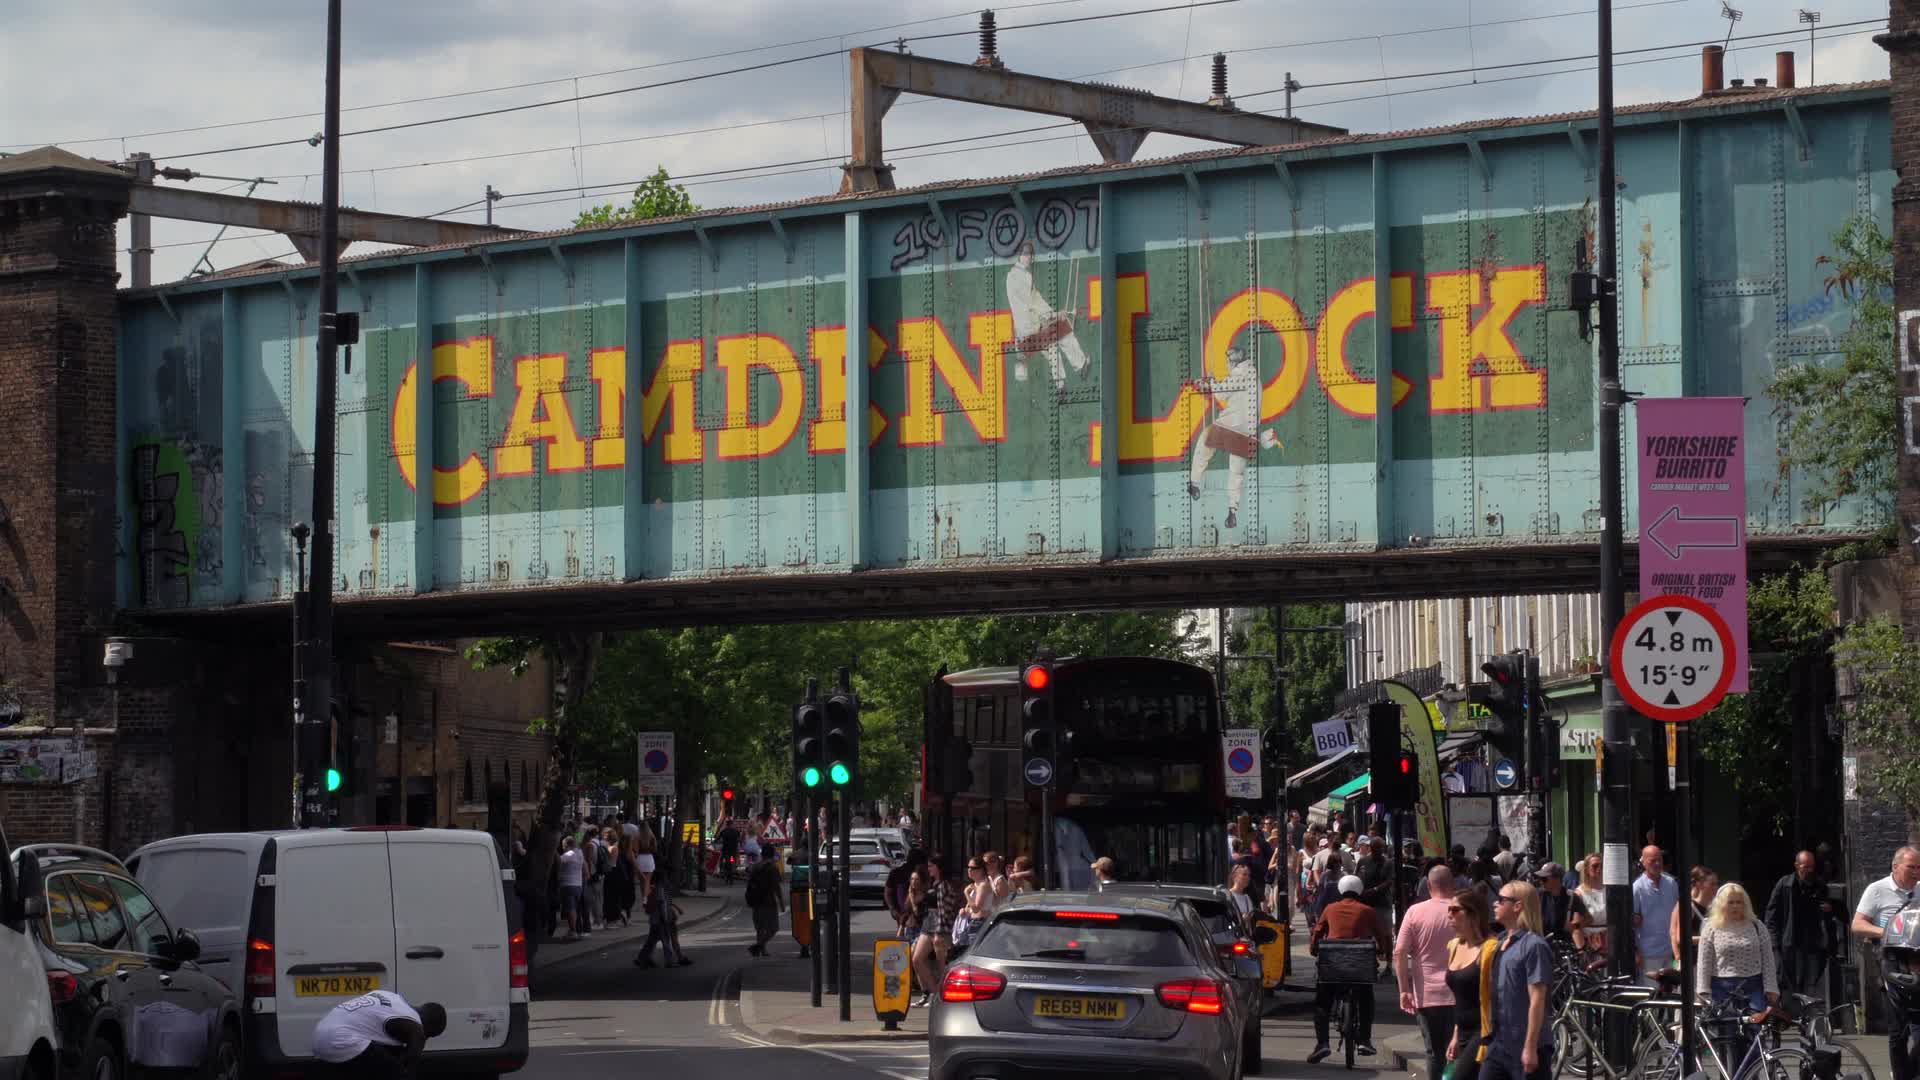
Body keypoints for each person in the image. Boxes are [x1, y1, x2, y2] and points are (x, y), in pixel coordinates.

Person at [1186, 344, 1282, 529]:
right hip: (1247, 432)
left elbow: (1222, 394)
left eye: (1228, 360)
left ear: (1232, 360)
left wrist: (1212, 382)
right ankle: (1232, 511)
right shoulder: (1255, 377)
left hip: (1229, 426)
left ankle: (1194, 482)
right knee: (1236, 472)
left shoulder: (1241, 373)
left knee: (1204, 444)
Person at [1308, 875, 1392, 1062]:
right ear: (1360, 890)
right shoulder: (1368, 910)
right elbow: (1381, 935)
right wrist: (1382, 952)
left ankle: (1322, 1043)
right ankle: (1364, 1040)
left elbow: (1318, 931)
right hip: (1360, 963)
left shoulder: (1330, 908)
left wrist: (1314, 949)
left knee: (1322, 1002)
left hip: (1332, 962)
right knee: (1366, 998)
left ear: (1340, 890)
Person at [1853, 847, 1920, 1080]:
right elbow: (1858, 925)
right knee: (1898, 1031)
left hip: (1918, 964)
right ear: (1895, 867)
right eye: (1911, 867)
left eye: (1919, 867)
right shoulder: (1877, 890)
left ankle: (1909, 1071)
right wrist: (1889, 932)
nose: (1916, 873)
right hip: (1892, 965)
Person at [1396, 864, 1461, 1080]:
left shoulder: (1415, 912)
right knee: (1458, 1051)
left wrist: (1404, 989)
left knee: (1434, 1052)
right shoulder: (1461, 911)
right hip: (1459, 993)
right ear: (1452, 884)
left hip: (1427, 995)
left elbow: (1400, 952)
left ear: (1429, 885)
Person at [1484, 882, 1554, 1080]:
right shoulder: (1501, 942)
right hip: (1499, 1043)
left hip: (1526, 1045)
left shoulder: (1534, 946)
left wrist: (1530, 1047)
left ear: (1518, 906)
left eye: (1501, 900)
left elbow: (1537, 1000)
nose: (1494, 904)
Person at [1004, 240, 1088, 390]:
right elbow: (1031, 304)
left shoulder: (1017, 275)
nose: (1029, 257)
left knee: (1053, 349)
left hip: (1024, 336)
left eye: (1030, 254)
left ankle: (1061, 385)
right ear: (1019, 255)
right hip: (1031, 332)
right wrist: (1053, 316)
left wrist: (1051, 315)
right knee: (1064, 331)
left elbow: (1035, 299)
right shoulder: (1020, 277)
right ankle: (1081, 364)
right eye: (1026, 254)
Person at [311, 990, 447, 1078]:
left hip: (320, 1035)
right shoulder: (416, 1026)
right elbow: (410, 1063)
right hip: (342, 1040)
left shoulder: (392, 997)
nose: (426, 1038)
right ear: (428, 1026)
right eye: (429, 1035)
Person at [1766, 850, 1838, 999]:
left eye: (1812, 866)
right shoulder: (1785, 885)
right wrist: (1774, 944)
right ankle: (1792, 1018)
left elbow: (1830, 914)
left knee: (1810, 986)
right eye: (1806, 867)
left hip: (1813, 944)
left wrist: (1828, 910)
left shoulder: (1819, 885)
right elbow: (1771, 915)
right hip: (1790, 945)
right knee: (1789, 986)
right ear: (1796, 865)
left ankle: (1806, 1017)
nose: (1809, 870)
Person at [1696, 883, 1778, 1014]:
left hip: (1753, 986)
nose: (1735, 906)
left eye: (1739, 902)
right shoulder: (1711, 928)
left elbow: (1768, 959)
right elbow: (1704, 962)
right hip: (1722, 989)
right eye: (1731, 902)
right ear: (1722, 904)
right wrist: (1703, 991)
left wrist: (1771, 988)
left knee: (1755, 1029)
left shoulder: (1757, 926)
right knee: (1727, 1031)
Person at [1444, 887, 1498, 1080]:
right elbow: (1460, 998)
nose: (1449, 914)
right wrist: (1455, 1036)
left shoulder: (1490, 949)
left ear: (1473, 914)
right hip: (1463, 1031)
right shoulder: (1454, 946)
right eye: (1448, 909)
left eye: (1455, 910)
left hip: (1483, 1031)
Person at [912, 856, 963, 1007]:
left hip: (940, 926)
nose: (929, 869)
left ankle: (940, 996)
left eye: (931, 866)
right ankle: (930, 992)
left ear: (938, 867)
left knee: (942, 964)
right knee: (917, 959)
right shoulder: (934, 883)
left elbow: (945, 911)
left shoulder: (944, 885)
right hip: (929, 923)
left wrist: (940, 931)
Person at [1631, 845, 1679, 984]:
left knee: (1672, 994)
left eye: (1659, 860)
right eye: (1652, 861)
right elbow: (1632, 923)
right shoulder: (1637, 887)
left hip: (1671, 951)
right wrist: (1636, 952)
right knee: (1652, 995)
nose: (1657, 864)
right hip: (1648, 953)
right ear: (1644, 862)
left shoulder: (1672, 884)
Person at [1671, 866, 1718, 963]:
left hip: (1709, 960)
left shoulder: (1715, 906)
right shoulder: (1688, 906)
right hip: (1691, 963)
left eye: (1716, 884)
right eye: (1712, 884)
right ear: (1699, 884)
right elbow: (1680, 938)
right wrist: (1711, 938)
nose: (1716, 888)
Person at [744, 847, 785, 957]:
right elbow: (777, 887)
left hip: (755, 900)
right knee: (773, 928)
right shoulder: (772, 867)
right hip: (768, 901)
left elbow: (749, 882)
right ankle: (759, 946)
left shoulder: (755, 867)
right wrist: (781, 903)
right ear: (772, 855)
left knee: (760, 927)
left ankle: (762, 950)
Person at [1533, 863, 1587, 944]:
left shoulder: (1571, 896)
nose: (1541, 882)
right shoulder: (1537, 895)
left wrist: (1575, 926)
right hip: (1542, 942)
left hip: (1564, 944)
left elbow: (1588, 918)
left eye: (1544, 879)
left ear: (1557, 879)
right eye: (1540, 878)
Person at [1573, 853, 1608, 962]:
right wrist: (1581, 951)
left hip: (1609, 943)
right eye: (1595, 866)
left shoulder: (1610, 890)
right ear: (1587, 869)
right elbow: (1576, 927)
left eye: (1601, 866)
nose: (1599, 869)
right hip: (1590, 946)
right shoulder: (1579, 893)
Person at [556, 835, 587, 940]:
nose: (563, 848)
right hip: (578, 885)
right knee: (575, 909)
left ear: (567, 845)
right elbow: (584, 868)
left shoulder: (569, 854)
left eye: (563, 846)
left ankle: (573, 931)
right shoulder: (579, 852)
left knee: (570, 909)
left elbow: (557, 861)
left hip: (568, 884)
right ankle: (576, 930)